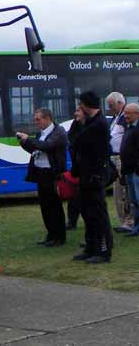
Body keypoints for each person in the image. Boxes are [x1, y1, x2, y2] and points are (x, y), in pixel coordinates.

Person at [71, 91, 113, 264]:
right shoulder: (90, 122)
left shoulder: (98, 124)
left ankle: (103, 251)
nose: (78, 108)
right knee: (87, 214)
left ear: (86, 105)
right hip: (85, 175)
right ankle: (91, 248)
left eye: (81, 104)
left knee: (98, 215)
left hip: (94, 176)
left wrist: (78, 124)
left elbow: (75, 141)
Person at [17, 108, 68, 246]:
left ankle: (59, 237)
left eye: (38, 119)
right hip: (41, 173)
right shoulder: (41, 133)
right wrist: (24, 142)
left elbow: (47, 146)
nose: (36, 122)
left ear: (47, 118)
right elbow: (36, 149)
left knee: (55, 206)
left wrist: (29, 139)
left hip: (52, 173)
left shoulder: (58, 132)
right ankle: (51, 235)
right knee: (45, 207)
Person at [106, 92, 132, 232]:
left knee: (123, 191)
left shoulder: (125, 117)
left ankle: (128, 221)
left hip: (121, 158)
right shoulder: (116, 118)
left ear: (120, 103)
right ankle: (124, 220)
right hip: (114, 158)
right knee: (118, 192)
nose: (109, 109)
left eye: (111, 105)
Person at [119, 103, 139, 236]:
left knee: (138, 199)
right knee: (134, 201)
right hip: (129, 170)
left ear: (137, 114)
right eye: (125, 113)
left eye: (128, 113)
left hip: (137, 171)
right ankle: (136, 227)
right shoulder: (129, 127)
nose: (125, 116)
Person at [66, 106, 86, 230]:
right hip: (77, 167)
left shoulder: (91, 126)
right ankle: (72, 221)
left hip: (86, 168)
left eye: (78, 111)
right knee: (74, 197)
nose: (75, 113)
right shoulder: (76, 125)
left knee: (83, 198)